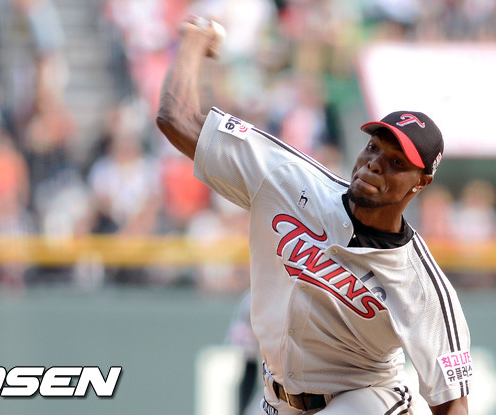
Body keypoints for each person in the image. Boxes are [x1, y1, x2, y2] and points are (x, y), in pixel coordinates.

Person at [156, 16, 472, 415]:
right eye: (373, 147)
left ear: (421, 183)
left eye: (396, 162)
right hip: (278, 399)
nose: (375, 163)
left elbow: (453, 404)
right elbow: (176, 120)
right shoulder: (288, 180)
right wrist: (193, 39)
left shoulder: (420, 284)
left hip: (367, 399)